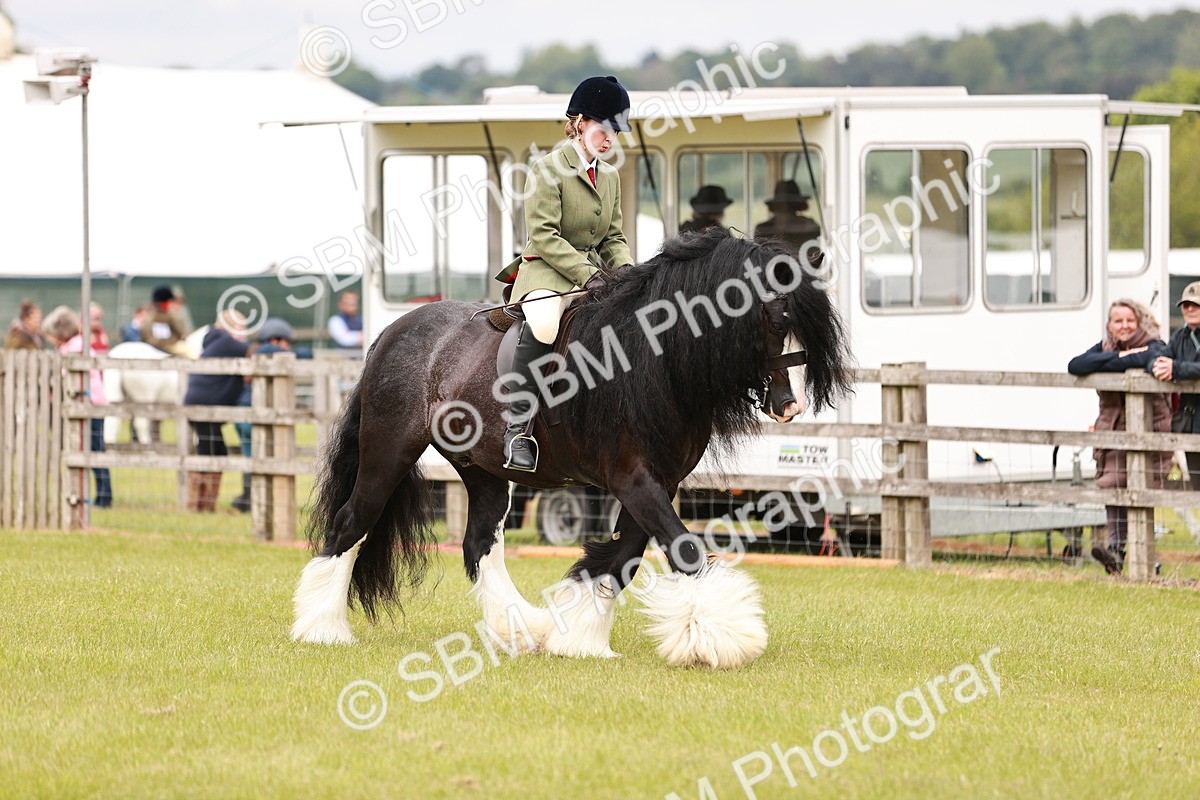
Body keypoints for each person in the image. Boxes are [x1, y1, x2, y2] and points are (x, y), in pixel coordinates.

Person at [492, 75, 635, 472]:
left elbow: (613, 236)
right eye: (604, 130)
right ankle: (517, 429)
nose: (609, 140)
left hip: (591, 275)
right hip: (547, 272)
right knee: (543, 324)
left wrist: (628, 273)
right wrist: (587, 274)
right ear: (581, 123)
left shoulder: (610, 176)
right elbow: (544, 235)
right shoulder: (547, 169)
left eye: (615, 132)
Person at [1068, 299, 1171, 575]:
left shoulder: (1155, 344)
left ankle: (1144, 559)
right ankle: (1117, 552)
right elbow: (1076, 364)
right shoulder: (1105, 346)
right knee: (1112, 488)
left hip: (1148, 431)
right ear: (1109, 324)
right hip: (1112, 431)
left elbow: (1145, 360)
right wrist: (1120, 358)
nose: (1124, 326)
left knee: (1139, 491)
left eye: (1129, 320)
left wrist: (1115, 361)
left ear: (1139, 322)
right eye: (1118, 321)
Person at [231, 318, 311, 513]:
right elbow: (303, 354)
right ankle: (256, 500)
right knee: (262, 457)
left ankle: (248, 499)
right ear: (275, 339)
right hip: (252, 414)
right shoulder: (266, 350)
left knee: (250, 456)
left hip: (242, 414)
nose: (288, 347)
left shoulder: (253, 352)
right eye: (286, 342)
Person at [41, 305, 112, 508]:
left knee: (95, 452)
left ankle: (104, 497)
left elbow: (66, 375)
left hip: (91, 405)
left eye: (51, 335)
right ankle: (97, 495)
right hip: (87, 405)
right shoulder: (76, 344)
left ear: (60, 332)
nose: (50, 340)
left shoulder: (75, 347)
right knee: (90, 451)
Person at [182, 310, 249, 512]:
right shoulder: (227, 342)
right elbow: (255, 352)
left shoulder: (217, 342)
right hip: (204, 407)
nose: (245, 332)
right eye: (241, 327)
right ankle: (199, 505)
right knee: (209, 452)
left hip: (200, 405)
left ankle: (205, 504)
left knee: (216, 450)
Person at [1150, 280, 1200, 491]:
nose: (1190, 309)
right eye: (1186, 305)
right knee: (1197, 483)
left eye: (1196, 304)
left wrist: (1176, 368)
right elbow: (1158, 359)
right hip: (1190, 420)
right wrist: (1157, 366)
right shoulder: (1180, 336)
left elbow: (1177, 366)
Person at [753, 179, 821, 253]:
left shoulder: (809, 226)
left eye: (790, 206)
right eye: (783, 205)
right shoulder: (763, 229)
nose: (785, 209)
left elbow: (814, 254)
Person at [141, 285, 189, 356]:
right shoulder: (170, 317)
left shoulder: (151, 316)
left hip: (154, 346)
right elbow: (181, 334)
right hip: (169, 348)